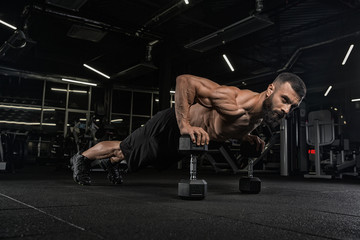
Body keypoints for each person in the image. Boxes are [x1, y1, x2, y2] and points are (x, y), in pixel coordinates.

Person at [70, 72, 306, 185]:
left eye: (292, 107)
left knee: (140, 157)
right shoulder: (233, 100)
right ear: (270, 90)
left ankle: (111, 165)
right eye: (285, 100)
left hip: (190, 139)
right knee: (125, 147)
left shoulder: (262, 115)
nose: (286, 110)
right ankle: (81, 159)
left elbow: (229, 128)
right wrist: (184, 124)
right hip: (173, 124)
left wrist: (247, 139)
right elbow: (185, 81)